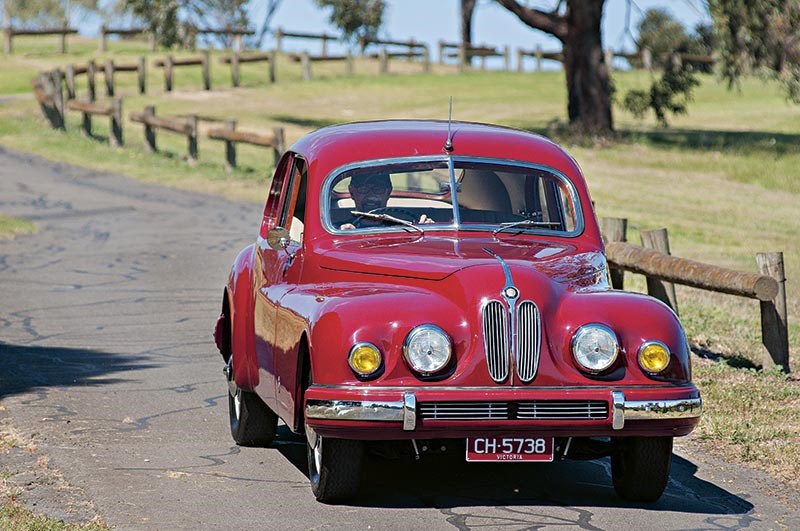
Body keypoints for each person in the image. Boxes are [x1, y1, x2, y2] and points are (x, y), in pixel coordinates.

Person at [340, 173, 432, 229]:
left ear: (388, 191)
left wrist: (428, 227)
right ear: (352, 192)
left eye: (378, 189)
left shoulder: (408, 226)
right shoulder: (337, 229)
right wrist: (343, 235)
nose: (371, 195)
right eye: (363, 189)